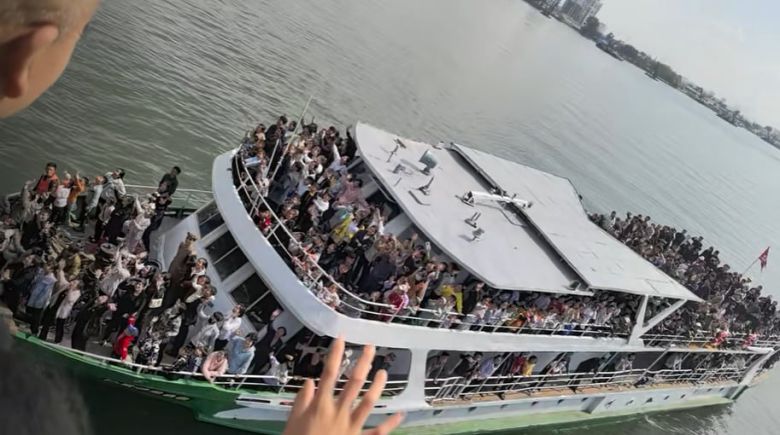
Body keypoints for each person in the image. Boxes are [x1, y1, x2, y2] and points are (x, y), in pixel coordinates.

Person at [282, 337, 404, 435]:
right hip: (346, 379)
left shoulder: (375, 363)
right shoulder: (371, 360)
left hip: (347, 379)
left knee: (337, 387)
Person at [25, 263, 56, 335]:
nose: (45, 267)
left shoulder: (51, 279)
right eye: (46, 265)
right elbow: (35, 282)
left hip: (41, 299)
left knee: (37, 315)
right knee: (31, 313)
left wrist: (40, 301)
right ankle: (30, 327)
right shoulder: (41, 274)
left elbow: (47, 292)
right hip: (34, 295)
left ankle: (34, 331)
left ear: (51, 269)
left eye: (48, 266)